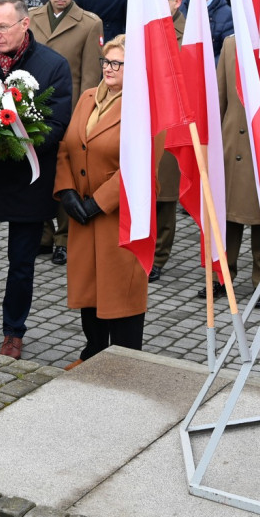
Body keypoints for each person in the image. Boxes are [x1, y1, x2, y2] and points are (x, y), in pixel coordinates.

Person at [0, 0, 72, 359]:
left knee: (21, 262)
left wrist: (15, 147)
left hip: (27, 180)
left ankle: (13, 331)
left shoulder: (53, 65)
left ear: (25, 24)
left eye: (2, 26)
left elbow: (57, 123)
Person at [54, 35, 161, 368]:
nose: (109, 68)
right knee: (90, 290)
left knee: (122, 294)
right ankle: (93, 354)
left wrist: (98, 203)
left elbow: (141, 167)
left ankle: (125, 365)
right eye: (106, 61)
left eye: (118, 63)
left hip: (120, 218)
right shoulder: (88, 97)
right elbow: (67, 147)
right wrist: (67, 191)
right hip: (83, 217)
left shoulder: (145, 107)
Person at [29, 0, 104, 266]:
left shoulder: (89, 23)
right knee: (36, 173)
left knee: (66, 175)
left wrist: (83, 117)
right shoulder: (31, 18)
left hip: (69, 110)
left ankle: (64, 238)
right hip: (33, 110)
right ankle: (43, 234)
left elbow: (90, 77)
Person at [216, 36, 260, 307]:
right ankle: (223, 275)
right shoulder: (231, 43)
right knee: (227, 217)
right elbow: (220, 96)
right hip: (231, 142)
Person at [150, 0, 185, 282]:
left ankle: (159, 255)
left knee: (165, 196)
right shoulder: (144, 27)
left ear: (177, 2)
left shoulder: (188, 35)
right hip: (144, 119)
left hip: (172, 123)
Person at [178, 0, 233, 64]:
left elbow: (227, 53)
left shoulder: (227, 15)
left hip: (212, 72)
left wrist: (208, 68)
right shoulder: (180, 9)